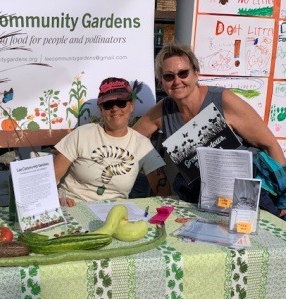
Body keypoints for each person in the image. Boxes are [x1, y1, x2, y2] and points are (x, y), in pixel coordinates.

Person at [133, 43, 286, 219]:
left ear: (196, 73)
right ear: (161, 82)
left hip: (246, 194)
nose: (177, 81)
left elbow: (269, 144)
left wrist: (284, 200)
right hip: (201, 198)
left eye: (183, 73)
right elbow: (130, 140)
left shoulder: (223, 100)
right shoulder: (162, 111)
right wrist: (155, 171)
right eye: (169, 76)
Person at [54, 77, 171, 207]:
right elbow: (51, 179)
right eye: (108, 104)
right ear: (101, 109)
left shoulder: (143, 145)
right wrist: (56, 199)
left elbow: (164, 192)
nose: (115, 109)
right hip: (72, 207)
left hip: (114, 213)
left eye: (121, 102)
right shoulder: (81, 134)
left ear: (131, 105)